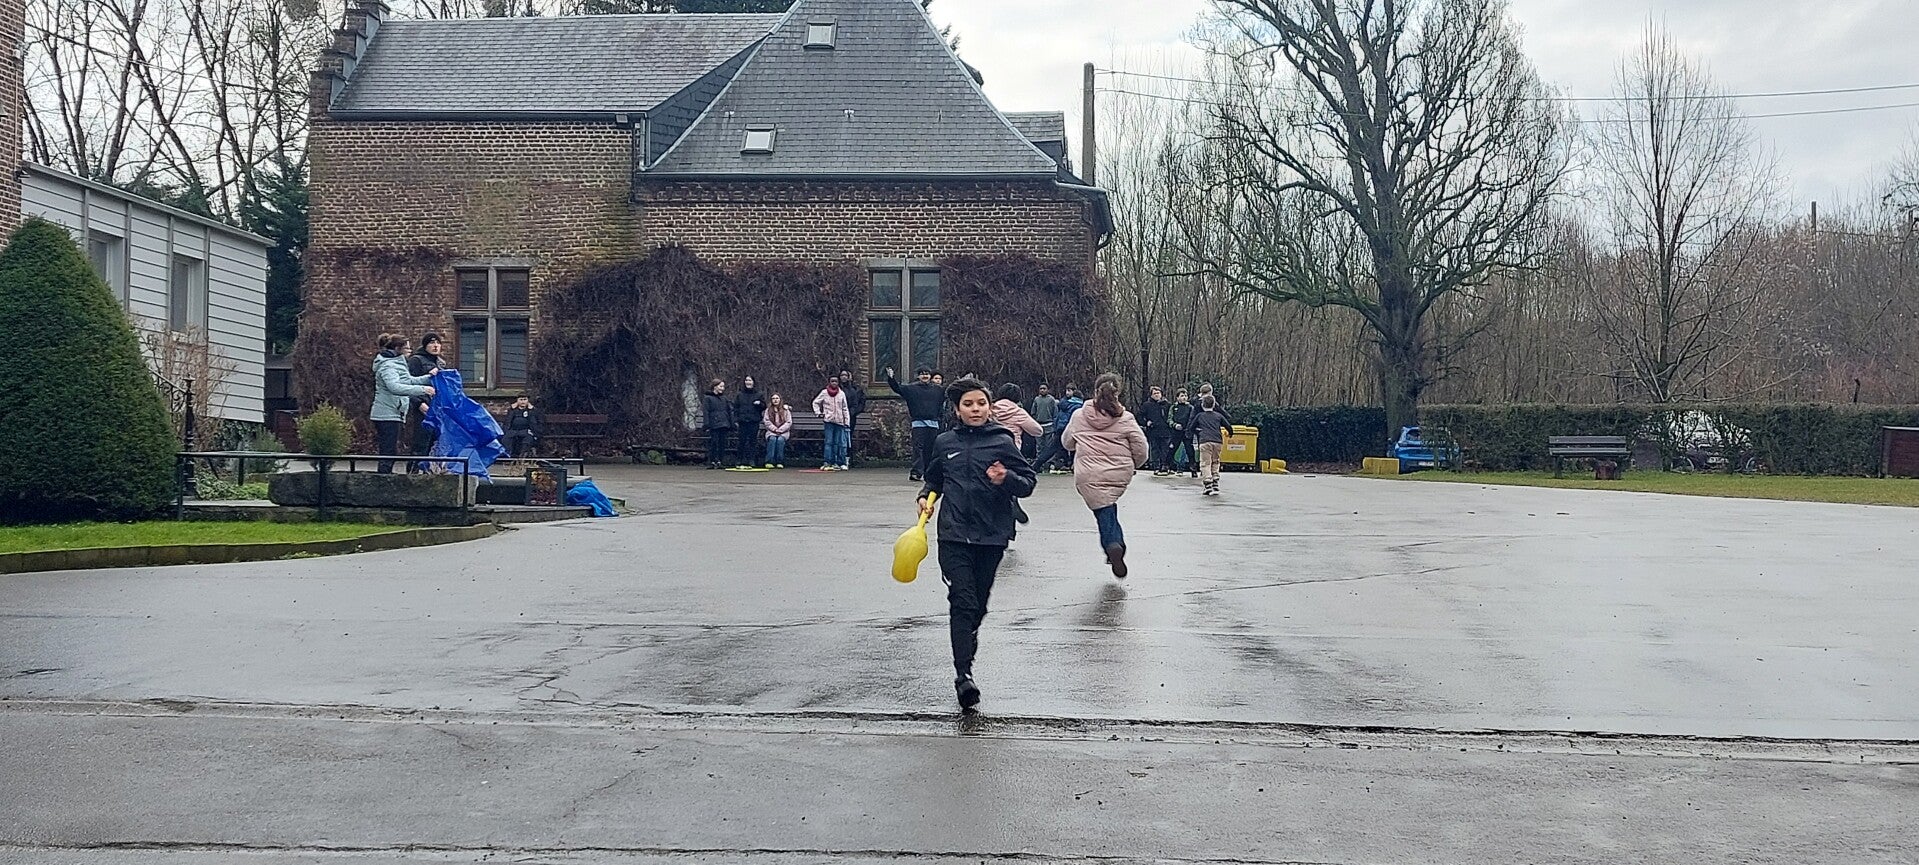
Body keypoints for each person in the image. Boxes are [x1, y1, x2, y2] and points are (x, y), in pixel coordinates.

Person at [917, 376, 1037, 710]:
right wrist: (925, 497)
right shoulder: (944, 442)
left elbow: (1028, 483)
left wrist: (1006, 477)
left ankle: (966, 650)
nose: (975, 409)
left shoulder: (1002, 441)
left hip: (991, 535)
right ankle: (963, 676)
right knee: (962, 601)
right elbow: (934, 479)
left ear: (989, 407)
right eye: (968, 404)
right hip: (953, 534)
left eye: (981, 403)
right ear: (957, 410)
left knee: (978, 606)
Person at [1061, 373, 1149, 578]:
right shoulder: (1126, 418)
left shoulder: (1079, 415)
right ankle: (1115, 547)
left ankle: (1113, 545)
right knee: (1106, 506)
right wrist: (1133, 465)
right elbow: (1141, 449)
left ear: (1095, 391)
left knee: (1103, 509)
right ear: (1118, 393)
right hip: (1119, 471)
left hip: (1088, 473)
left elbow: (1067, 442)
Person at [371, 333, 438, 473]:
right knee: (388, 451)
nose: (410, 350)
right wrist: (423, 390)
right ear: (398, 348)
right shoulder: (388, 366)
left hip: (395, 413)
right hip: (386, 414)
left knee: (391, 451)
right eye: (407, 348)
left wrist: (429, 378)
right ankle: (382, 480)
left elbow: (409, 380)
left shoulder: (398, 363)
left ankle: (385, 477)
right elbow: (395, 387)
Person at [991, 383, 1043, 528]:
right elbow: (1037, 430)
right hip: (1011, 451)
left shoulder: (990, 409)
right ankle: (1012, 504)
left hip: (989, 450)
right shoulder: (1017, 411)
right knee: (1010, 481)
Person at [887, 367, 946, 481]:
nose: (925, 376)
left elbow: (952, 390)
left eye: (927, 374)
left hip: (933, 423)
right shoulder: (911, 389)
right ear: (918, 376)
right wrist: (891, 378)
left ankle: (929, 472)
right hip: (918, 423)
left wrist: (964, 381)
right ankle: (916, 472)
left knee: (931, 449)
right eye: (922, 374)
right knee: (918, 448)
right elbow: (897, 388)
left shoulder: (938, 390)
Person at [406, 333, 446, 473]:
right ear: (425, 345)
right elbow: (408, 384)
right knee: (421, 442)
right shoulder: (416, 361)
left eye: (438, 343)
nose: (435, 346)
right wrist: (418, 403)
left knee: (435, 442)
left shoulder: (440, 363)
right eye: (431, 343)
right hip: (423, 407)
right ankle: (413, 473)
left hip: (437, 408)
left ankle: (430, 472)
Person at [1034, 384, 1084, 474]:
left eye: (1069, 390)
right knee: (1075, 448)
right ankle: (1073, 466)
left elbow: (1058, 416)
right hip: (1071, 429)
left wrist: (1056, 427)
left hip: (1060, 429)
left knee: (1051, 449)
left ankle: (1036, 465)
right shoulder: (1078, 406)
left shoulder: (1064, 403)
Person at [1191, 394, 1234, 496]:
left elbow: (1191, 427)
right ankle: (1215, 480)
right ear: (1214, 405)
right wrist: (1230, 434)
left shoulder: (1199, 416)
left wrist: (1198, 432)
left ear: (1202, 405)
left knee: (1205, 463)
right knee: (1215, 461)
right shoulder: (1218, 416)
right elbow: (1228, 426)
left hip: (1205, 441)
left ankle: (1208, 483)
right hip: (1217, 441)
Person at [813, 377, 852, 471]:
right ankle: (827, 462)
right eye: (832, 381)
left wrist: (846, 421)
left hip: (839, 421)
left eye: (836, 381)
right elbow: (815, 402)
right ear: (829, 382)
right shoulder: (824, 393)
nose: (834, 383)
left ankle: (838, 462)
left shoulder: (841, 393)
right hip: (829, 421)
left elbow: (845, 408)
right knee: (829, 442)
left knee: (838, 443)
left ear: (838, 383)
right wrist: (818, 413)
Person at [733, 375, 767, 468]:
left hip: (753, 421)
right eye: (747, 380)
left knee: (753, 441)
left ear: (753, 382)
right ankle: (739, 459)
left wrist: (759, 404)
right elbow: (735, 407)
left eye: (750, 380)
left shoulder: (759, 394)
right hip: (742, 421)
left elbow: (764, 406)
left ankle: (752, 460)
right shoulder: (739, 394)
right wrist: (736, 419)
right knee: (741, 441)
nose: (748, 382)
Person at [701, 379, 734, 470]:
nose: (722, 388)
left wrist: (731, 423)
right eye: (720, 386)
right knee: (714, 443)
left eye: (723, 387)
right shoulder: (708, 398)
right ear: (715, 387)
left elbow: (729, 411)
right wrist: (706, 424)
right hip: (714, 424)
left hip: (724, 423)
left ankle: (720, 460)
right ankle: (712, 461)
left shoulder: (724, 399)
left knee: (722, 443)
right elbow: (706, 412)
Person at [1140, 386, 1172, 475]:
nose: (1157, 395)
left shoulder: (1167, 404)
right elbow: (1140, 416)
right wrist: (1146, 422)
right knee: (1155, 449)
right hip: (1153, 431)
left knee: (1165, 449)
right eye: (1154, 393)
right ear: (1151, 395)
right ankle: (1156, 467)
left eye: (1158, 393)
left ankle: (1164, 466)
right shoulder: (1147, 405)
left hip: (1165, 430)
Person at [838, 369, 867, 466]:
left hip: (851, 417)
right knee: (838, 437)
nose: (844, 377)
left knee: (848, 437)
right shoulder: (837, 389)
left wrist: (852, 413)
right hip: (838, 416)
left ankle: (847, 458)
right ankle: (838, 458)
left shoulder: (855, 390)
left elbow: (860, 403)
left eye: (846, 375)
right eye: (842, 375)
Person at [1027, 383, 1058, 465]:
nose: (1042, 390)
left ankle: (1048, 462)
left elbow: (1055, 412)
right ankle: (1038, 462)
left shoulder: (1051, 400)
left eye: (1044, 388)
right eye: (1041, 389)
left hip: (1049, 424)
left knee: (1049, 445)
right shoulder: (1036, 399)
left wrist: (1054, 423)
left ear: (1048, 390)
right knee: (1039, 445)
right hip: (1039, 425)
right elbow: (1033, 412)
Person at [762, 393, 793, 468]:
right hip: (771, 432)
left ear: (780, 400)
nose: (775, 400)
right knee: (772, 439)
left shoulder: (786, 410)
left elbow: (788, 422)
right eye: (773, 398)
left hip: (783, 432)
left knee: (780, 440)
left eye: (777, 398)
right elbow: (766, 421)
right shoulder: (768, 410)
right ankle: (769, 461)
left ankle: (780, 462)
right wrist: (774, 429)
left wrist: (781, 429)